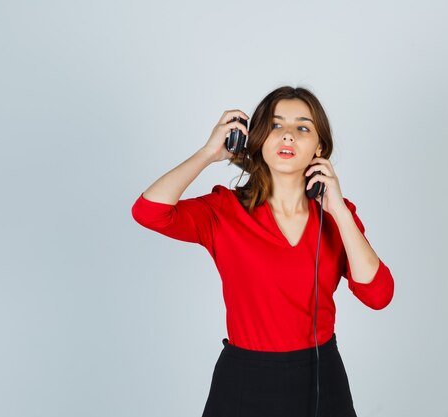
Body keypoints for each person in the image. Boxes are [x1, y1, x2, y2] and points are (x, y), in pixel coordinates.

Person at [131, 86, 394, 417]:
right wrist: (208, 153)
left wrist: (339, 210)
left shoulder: (338, 217)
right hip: (244, 383)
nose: (287, 136)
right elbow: (148, 211)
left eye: (302, 127)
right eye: (275, 125)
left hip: (321, 379)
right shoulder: (224, 211)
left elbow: (379, 295)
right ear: (256, 140)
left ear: (320, 147)